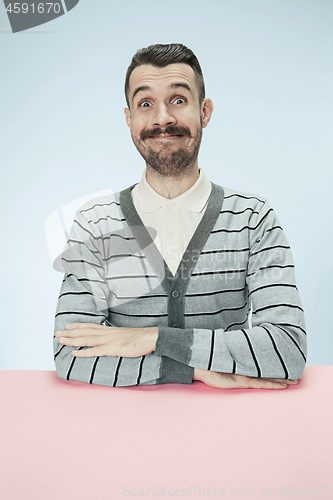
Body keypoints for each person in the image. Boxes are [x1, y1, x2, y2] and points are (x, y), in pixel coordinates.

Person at [53, 43, 307, 390]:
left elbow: (286, 351)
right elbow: (71, 354)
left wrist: (153, 338)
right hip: (116, 433)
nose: (162, 118)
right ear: (129, 118)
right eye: (145, 104)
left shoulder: (253, 220)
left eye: (178, 100)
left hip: (234, 431)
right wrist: (196, 370)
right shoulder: (95, 224)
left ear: (205, 112)